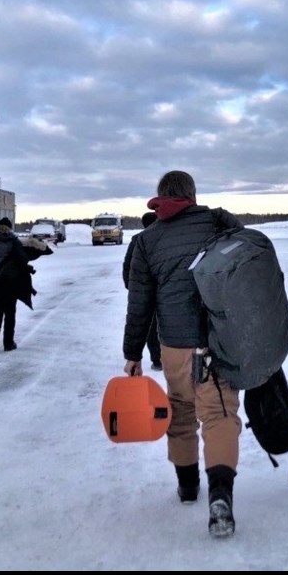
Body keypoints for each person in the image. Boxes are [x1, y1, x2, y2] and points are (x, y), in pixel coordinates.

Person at [122, 170, 244, 538]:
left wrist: (133, 352)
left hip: (174, 344)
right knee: (220, 414)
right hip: (218, 342)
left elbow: (139, 302)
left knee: (180, 413)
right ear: (192, 194)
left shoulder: (147, 240)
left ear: (160, 197)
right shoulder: (218, 226)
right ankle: (220, 494)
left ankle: (188, 486)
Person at [0, 217, 30, 352]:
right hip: (10, 279)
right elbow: (22, 260)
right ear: (10, 228)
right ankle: (8, 343)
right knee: (10, 311)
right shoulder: (13, 241)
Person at [123, 211, 162, 371]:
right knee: (158, 326)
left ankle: (157, 359)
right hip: (160, 290)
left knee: (151, 327)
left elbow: (128, 266)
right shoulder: (160, 238)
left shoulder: (138, 240)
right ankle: (162, 359)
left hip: (145, 292)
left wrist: (132, 286)